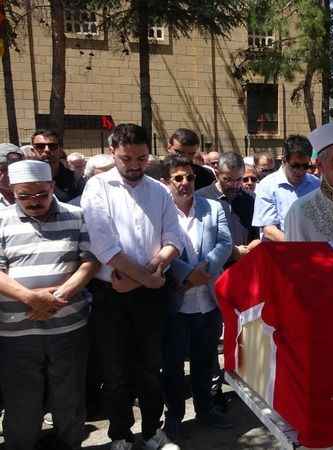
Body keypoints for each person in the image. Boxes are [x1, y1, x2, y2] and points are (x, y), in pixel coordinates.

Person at [81, 124, 183, 450]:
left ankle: (153, 431)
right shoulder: (96, 188)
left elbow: (174, 238)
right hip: (112, 294)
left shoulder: (158, 190)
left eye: (142, 157)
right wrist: (146, 278)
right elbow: (104, 245)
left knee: (151, 368)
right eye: (127, 158)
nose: (136, 165)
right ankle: (121, 435)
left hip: (150, 291)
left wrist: (153, 271)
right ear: (113, 153)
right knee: (115, 372)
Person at [0, 160, 99, 450]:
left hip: (68, 327)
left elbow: (89, 262)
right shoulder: (2, 221)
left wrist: (57, 298)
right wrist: (31, 299)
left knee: (69, 395)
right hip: (15, 332)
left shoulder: (76, 216)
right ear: (12, 190)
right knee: (21, 399)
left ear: (52, 187)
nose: (34, 202)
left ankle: (70, 443)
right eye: (24, 196)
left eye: (41, 194)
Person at [159, 155, 233, 441]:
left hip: (209, 302)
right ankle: (175, 416)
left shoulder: (213, 208)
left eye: (189, 177)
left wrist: (207, 268)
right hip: (177, 302)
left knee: (205, 362)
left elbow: (225, 243)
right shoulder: (161, 212)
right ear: (167, 183)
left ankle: (206, 409)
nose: (185, 183)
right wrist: (187, 275)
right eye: (178, 178)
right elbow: (158, 246)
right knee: (174, 366)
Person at [253, 136, 320, 241]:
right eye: (295, 166)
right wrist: (297, 245)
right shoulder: (267, 186)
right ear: (284, 160)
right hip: (278, 250)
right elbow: (268, 229)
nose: (300, 171)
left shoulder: (316, 185)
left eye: (305, 166)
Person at [197, 152, 259, 260]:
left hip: (244, 264)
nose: (234, 185)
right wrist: (230, 251)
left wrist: (253, 246)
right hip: (213, 268)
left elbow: (257, 235)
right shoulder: (201, 198)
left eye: (239, 179)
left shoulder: (251, 199)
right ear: (217, 173)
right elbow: (198, 239)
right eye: (228, 179)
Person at [31, 130, 83, 202]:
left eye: (52, 146)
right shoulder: (26, 179)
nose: (47, 150)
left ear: (60, 149)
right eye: (40, 146)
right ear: (33, 151)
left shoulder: (75, 179)